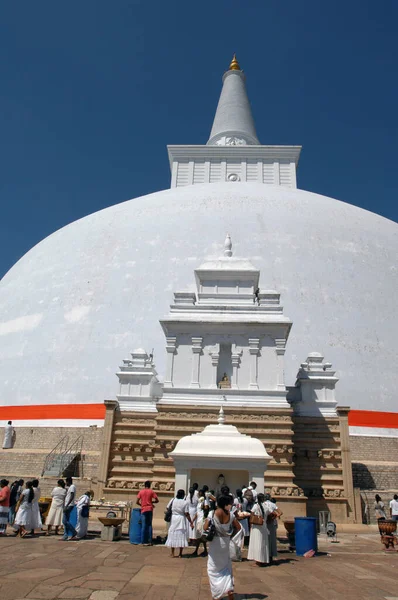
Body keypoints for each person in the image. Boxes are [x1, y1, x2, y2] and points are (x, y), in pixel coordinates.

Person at [204, 494, 241, 600]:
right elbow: (238, 527)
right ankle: (229, 590)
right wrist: (230, 535)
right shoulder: (231, 515)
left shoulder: (212, 513)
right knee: (226, 567)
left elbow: (205, 527)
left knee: (213, 569)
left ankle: (217, 594)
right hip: (225, 542)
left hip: (215, 543)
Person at [165, 488, 193, 558]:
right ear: (183, 495)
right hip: (181, 519)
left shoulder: (173, 500)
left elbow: (167, 507)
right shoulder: (185, 502)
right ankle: (180, 553)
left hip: (174, 519)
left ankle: (172, 553)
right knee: (181, 535)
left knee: (173, 534)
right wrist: (190, 521)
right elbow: (187, 513)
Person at [247, 493, 272, 566]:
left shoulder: (255, 506)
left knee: (257, 543)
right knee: (263, 543)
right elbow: (272, 514)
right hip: (263, 526)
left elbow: (251, 514)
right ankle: (262, 559)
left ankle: (258, 561)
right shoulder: (265, 506)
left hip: (256, 527)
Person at [136, 480, 159, 545]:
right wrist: (152, 502)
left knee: (143, 525)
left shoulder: (141, 492)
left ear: (144, 485)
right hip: (150, 509)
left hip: (143, 509)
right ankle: (150, 541)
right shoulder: (151, 491)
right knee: (149, 525)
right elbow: (157, 500)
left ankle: (143, 541)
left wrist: (142, 505)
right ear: (149, 485)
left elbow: (137, 502)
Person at [264, 494, 282, 561]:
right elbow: (280, 512)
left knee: (265, 540)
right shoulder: (273, 504)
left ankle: (266, 556)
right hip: (272, 523)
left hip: (265, 523)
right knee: (272, 540)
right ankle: (271, 556)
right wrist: (274, 517)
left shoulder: (263, 504)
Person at [192, 489, 208, 557]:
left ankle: (199, 550)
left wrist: (203, 507)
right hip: (198, 519)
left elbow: (206, 507)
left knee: (201, 535)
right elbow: (197, 512)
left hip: (202, 519)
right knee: (199, 535)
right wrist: (192, 520)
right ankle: (201, 550)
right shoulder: (199, 501)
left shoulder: (204, 500)